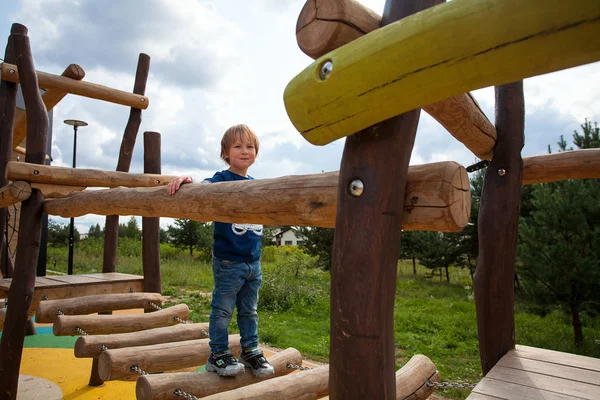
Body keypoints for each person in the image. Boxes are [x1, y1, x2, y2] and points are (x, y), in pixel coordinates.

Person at [167, 124, 274, 378]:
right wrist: (186, 180)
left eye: (250, 146)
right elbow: (202, 189)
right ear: (226, 153)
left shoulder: (255, 185)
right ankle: (218, 354)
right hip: (228, 261)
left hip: (253, 263)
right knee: (223, 310)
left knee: (250, 310)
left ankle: (249, 350)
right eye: (238, 146)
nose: (245, 151)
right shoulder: (223, 179)